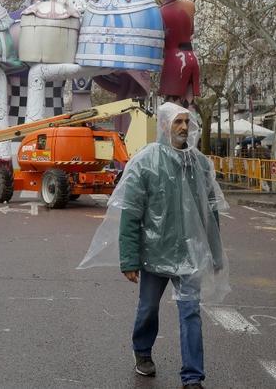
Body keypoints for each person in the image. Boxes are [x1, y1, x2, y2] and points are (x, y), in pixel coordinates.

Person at [79, 103, 228, 388]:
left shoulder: (199, 163)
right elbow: (131, 211)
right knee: (148, 308)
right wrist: (129, 259)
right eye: (177, 122)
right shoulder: (146, 161)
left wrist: (215, 253)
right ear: (163, 125)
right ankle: (143, 351)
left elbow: (211, 212)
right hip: (155, 252)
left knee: (191, 311)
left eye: (187, 122)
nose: (184, 127)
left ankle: (193, 377)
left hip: (190, 254)